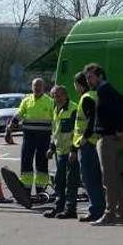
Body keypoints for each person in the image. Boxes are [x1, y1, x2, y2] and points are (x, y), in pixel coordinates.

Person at [83, 63, 123, 226]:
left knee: (109, 179)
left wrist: (121, 128)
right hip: (107, 138)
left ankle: (110, 214)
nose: (88, 80)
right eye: (87, 77)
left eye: (90, 77)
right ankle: (119, 213)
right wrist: (122, 128)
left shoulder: (105, 91)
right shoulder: (104, 90)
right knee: (114, 178)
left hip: (107, 139)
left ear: (100, 76)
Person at [10, 78, 55, 191]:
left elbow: (55, 120)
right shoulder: (26, 100)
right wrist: (13, 122)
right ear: (32, 87)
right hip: (29, 136)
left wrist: (55, 138)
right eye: (35, 86)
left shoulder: (49, 102)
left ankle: (41, 190)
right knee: (26, 162)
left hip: (43, 137)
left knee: (42, 163)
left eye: (39, 86)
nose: (37, 88)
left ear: (43, 87)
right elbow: (20, 112)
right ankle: (26, 189)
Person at [72, 72, 105, 222]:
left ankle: (96, 210)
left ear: (79, 85)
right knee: (96, 179)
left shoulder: (86, 98)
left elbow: (91, 121)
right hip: (95, 142)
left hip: (88, 144)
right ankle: (99, 207)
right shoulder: (95, 94)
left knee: (90, 179)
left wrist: (84, 138)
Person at [45, 85, 80, 219]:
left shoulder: (73, 109)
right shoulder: (56, 109)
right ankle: (59, 207)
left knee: (71, 181)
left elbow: (77, 132)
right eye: (54, 96)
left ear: (65, 95)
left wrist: (74, 150)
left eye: (59, 95)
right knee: (59, 181)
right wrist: (51, 148)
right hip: (60, 152)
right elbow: (55, 132)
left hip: (71, 152)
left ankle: (70, 209)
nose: (56, 98)